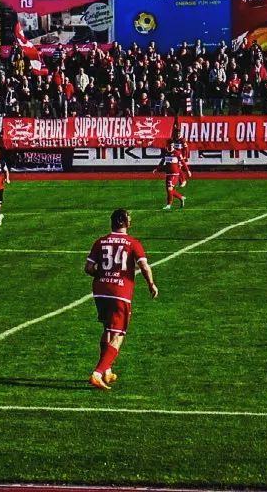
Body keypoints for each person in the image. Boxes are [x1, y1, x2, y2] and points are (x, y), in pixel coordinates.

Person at [84, 208, 158, 390]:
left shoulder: (100, 241)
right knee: (118, 335)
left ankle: (107, 370)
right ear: (126, 222)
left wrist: (103, 275)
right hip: (120, 292)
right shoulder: (133, 243)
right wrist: (151, 284)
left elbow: (88, 268)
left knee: (108, 329)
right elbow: (144, 266)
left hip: (100, 291)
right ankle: (97, 373)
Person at [156, 141, 186, 210]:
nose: (171, 146)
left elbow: (183, 162)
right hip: (168, 174)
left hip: (174, 174)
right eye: (170, 145)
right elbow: (162, 162)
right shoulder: (166, 152)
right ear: (167, 145)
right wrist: (157, 169)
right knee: (169, 190)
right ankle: (180, 197)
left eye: (172, 145)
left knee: (169, 189)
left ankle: (169, 205)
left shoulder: (177, 153)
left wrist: (188, 171)